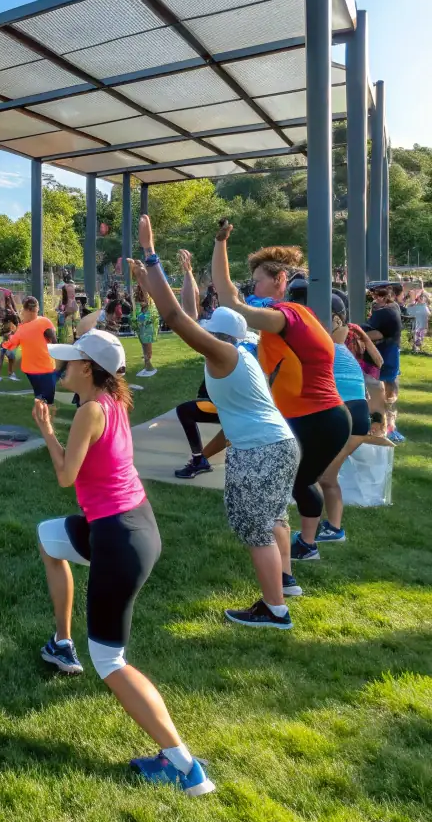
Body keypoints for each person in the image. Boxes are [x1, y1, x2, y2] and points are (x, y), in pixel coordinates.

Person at [32, 329, 215, 796]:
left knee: (110, 659)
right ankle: (60, 642)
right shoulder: (112, 403)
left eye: (70, 361)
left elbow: (63, 475)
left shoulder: (91, 411)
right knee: (49, 540)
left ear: (89, 369)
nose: (63, 367)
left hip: (118, 539)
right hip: (130, 526)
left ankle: (184, 766)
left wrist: (47, 430)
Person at [132, 221, 301, 627]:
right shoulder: (245, 348)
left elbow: (176, 317)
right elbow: (189, 313)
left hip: (260, 447)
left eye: (207, 333)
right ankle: (286, 581)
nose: (200, 336)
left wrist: (151, 252)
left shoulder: (223, 356)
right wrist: (151, 278)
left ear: (217, 336)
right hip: (280, 443)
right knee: (275, 517)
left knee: (253, 526)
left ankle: (274, 609)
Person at [211, 224, 350, 564]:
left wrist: (220, 243)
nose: (253, 287)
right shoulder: (297, 316)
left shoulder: (285, 315)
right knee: (301, 481)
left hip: (316, 417)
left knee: (296, 483)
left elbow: (230, 301)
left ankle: (298, 552)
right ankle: (305, 545)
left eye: (258, 280)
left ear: (280, 279)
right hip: (319, 417)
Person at [314, 299, 391, 543]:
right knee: (326, 476)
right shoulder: (343, 348)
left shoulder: (327, 346)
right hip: (355, 414)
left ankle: (317, 530)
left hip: (343, 413)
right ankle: (331, 529)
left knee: (319, 475)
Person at [365, 282, 404, 443]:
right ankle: (388, 428)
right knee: (389, 393)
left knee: (382, 393)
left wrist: (359, 334)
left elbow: (375, 333)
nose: (375, 298)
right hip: (390, 354)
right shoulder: (393, 308)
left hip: (384, 356)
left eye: (377, 295)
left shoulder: (384, 312)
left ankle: (384, 428)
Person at [2, 298, 58, 406]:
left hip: (43, 367)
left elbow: (54, 342)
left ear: (27, 310)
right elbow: (54, 341)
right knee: (45, 397)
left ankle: (43, 409)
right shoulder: (27, 326)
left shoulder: (41, 323)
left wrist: (6, 342)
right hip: (40, 368)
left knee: (43, 397)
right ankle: (44, 411)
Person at [133, 286, 159, 377]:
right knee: (146, 347)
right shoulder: (139, 300)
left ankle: (148, 366)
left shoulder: (149, 301)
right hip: (143, 327)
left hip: (146, 327)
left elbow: (150, 312)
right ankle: (147, 366)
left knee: (146, 347)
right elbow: (139, 314)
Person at [0, 310, 20, 382]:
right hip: (7, 346)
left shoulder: (6, 324)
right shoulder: (11, 325)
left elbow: (2, 334)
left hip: (4, 346)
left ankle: (9, 374)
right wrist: (11, 334)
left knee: (10, 359)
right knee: (10, 358)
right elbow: (7, 335)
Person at [56, 275, 78, 343]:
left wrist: (64, 313)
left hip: (68, 328)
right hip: (63, 325)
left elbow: (74, 311)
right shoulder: (62, 301)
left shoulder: (71, 302)